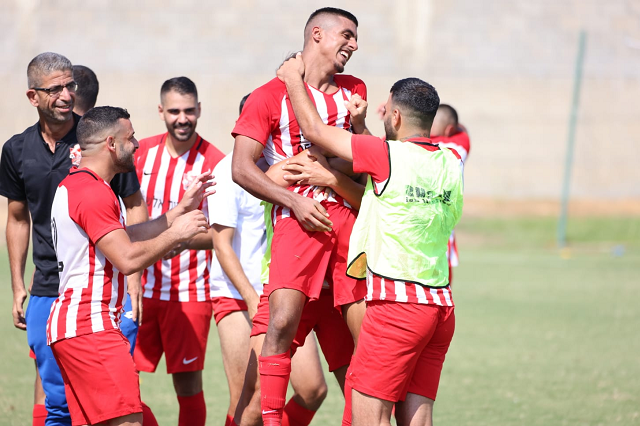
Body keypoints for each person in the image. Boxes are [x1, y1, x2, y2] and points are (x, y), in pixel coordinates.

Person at [278, 55, 463, 426]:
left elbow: (315, 130)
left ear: (395, 116)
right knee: (418, 418)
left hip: (397, 307)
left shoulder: (385, 155)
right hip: (440, 307)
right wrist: (361, 127)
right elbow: (388, 183)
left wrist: (292, 79)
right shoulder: (450, 162)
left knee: (369, 417)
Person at [231, 8, 367, 425]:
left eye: (356, 37)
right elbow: (241, 168)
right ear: (317, 34)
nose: (354, 44)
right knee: (281, 326)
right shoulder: (267, 95)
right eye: (347, 34)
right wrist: (293, 201)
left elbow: (364, 161)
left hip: (348, 225)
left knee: (365, 347)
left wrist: (334, 162)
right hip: (300, 224)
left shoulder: (354, 91)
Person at [0, 52, 146, 426]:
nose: (67, 95)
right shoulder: (16, 149)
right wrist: (17, 284)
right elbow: (17, 218)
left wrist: (134, 279)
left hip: (99, 295)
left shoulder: (99, 140)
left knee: (117, 403)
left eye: (70, 86)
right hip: (47, 289)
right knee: (56, 399)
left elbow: (134, 205)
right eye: (56, 89)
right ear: (33, 96)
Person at [48, 106, 214, 426]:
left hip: (80, 327)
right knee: (131, 421)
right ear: (111, 144)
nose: (137, 144)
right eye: (131, 137)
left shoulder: (82, 184)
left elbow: (125, 237)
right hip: (89, 326)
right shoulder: (92, 192)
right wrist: (177, 234)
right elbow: (127, 259)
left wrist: (178, 212)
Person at [132, 76, 225, 426]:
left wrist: (180, 240)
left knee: (188, 387)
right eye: (174, 111)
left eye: (188, 111)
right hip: (138, 288)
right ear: (161, 111)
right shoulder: (140, 154)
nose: (182, 119)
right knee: (123, 380)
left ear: (199, 109)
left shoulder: (215, 162)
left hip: (190, 292)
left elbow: (221, 232)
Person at [429, 104, 471, 284]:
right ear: (450, 129)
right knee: (441, 292)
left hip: (409, 231)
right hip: (442, 235)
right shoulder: (458, 146)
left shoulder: (407, 144)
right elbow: (463, 131)